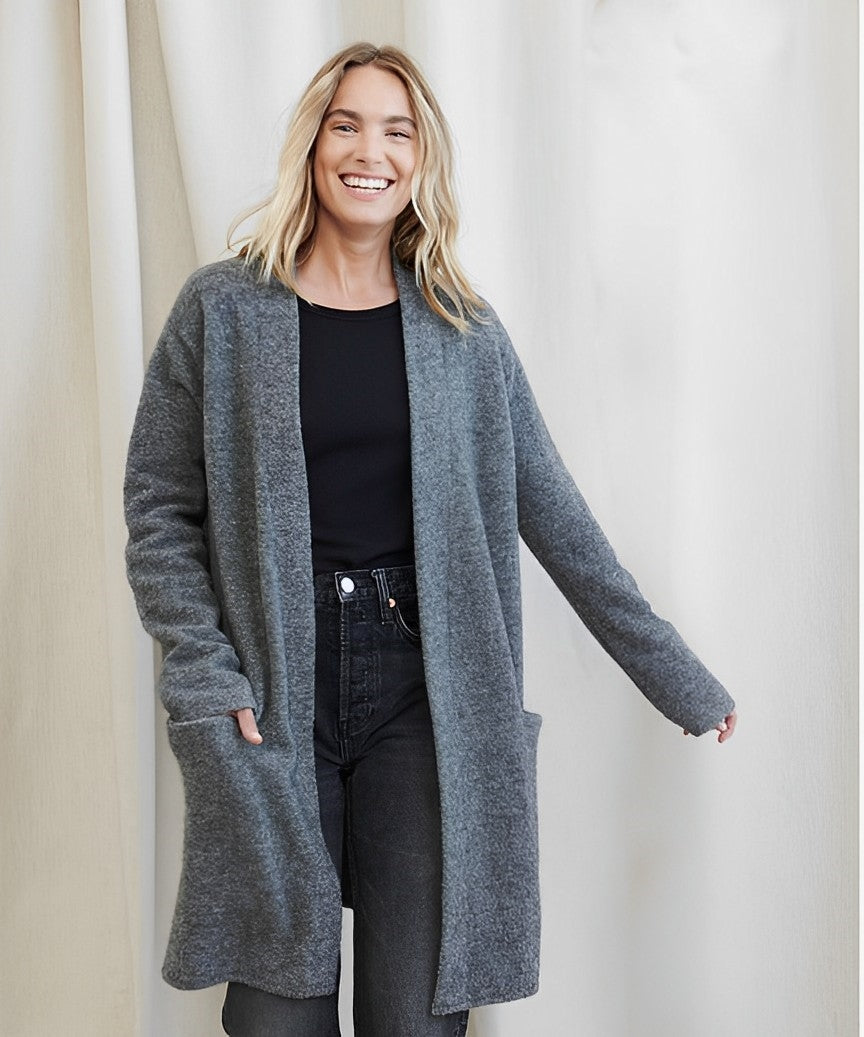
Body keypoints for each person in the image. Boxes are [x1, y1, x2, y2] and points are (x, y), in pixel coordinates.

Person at [123, 41, 737, 1037]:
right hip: (273, 688)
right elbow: (158, 504)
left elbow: (560, 520)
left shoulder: (464, 332)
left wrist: (678, 677)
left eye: (397, 131)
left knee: (417, 1018)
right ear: (314, 145)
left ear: (422, 160)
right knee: (277, 1016)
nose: (371, 151)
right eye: (347, 125)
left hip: (425, 693)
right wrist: (203, 668)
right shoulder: (223, 310)